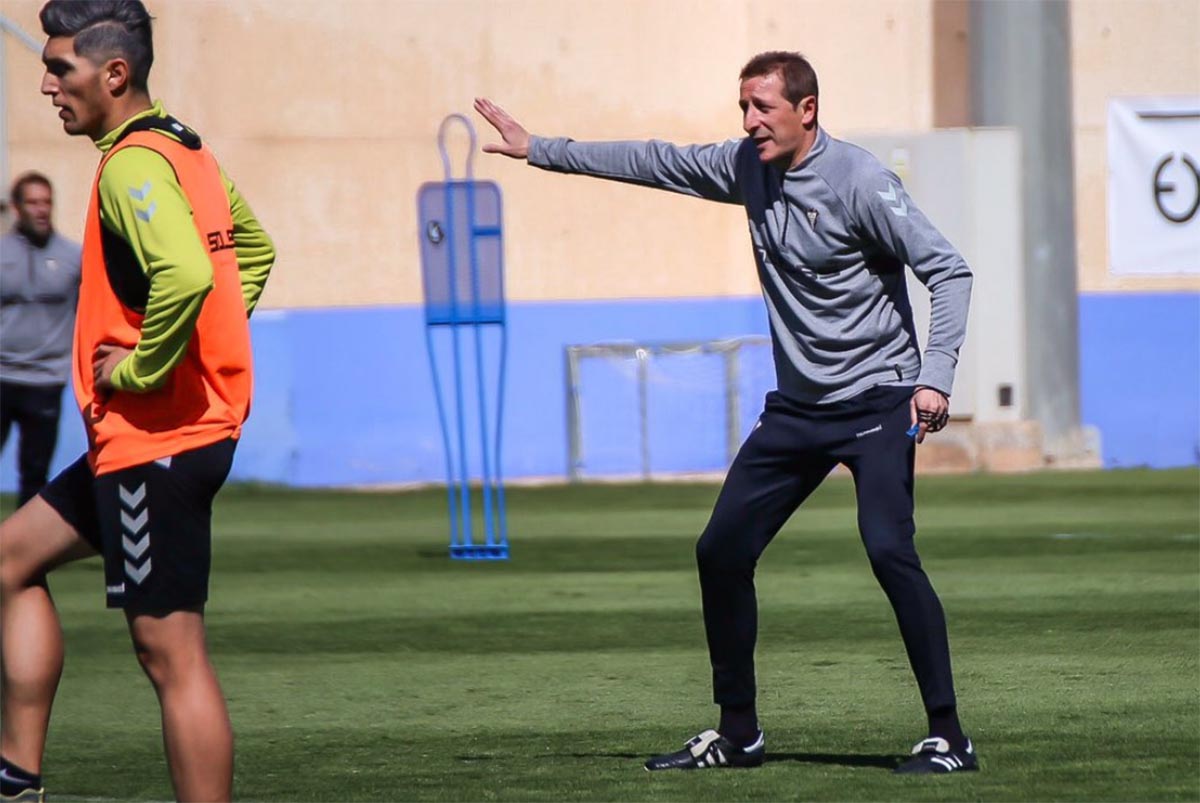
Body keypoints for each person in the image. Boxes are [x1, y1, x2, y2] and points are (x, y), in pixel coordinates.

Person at [475, 50, 977, 775]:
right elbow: (653, 160)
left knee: (888, 549)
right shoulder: (747, 167)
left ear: (807, 110)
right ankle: (738, 734)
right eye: (742, 107)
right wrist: (540, 150)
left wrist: (936, 376)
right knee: (720, 551)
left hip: (878, 399)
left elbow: (949, 269)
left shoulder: (861, 179)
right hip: (799, 411)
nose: (749, 122)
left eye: (762, 108)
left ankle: (949, 737)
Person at [0, 2, 275, 801]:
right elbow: (253, 251)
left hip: (157, 440)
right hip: (155, 436)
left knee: (170, 652)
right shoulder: (181, 143)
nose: (47, 83)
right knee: (12, 559)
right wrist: (201, 346)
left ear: (113, 74)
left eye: (60, 68)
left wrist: (148, 368)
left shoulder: (130, 164)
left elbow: (188, 276)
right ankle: (17, 775)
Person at [0, 173, 82, 506]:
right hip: (2, 376)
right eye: (33, 202)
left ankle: (22, 554)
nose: (41, 210)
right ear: (17, 208)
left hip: (46, 380)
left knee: (35, 474)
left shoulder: (74, 258)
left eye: (46, 202)